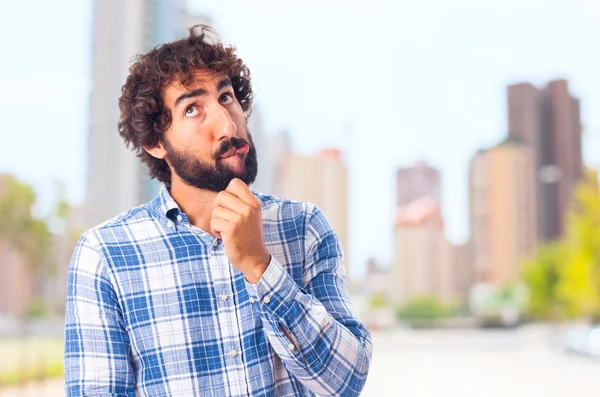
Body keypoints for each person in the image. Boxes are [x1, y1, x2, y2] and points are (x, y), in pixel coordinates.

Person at [64, 25, 372, 397]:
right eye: (193, 109)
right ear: (155, 142)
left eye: (226, 97)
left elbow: (347, 383)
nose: (227, 124)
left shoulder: (304, 227)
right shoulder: (106, 255)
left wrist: (261, 267)